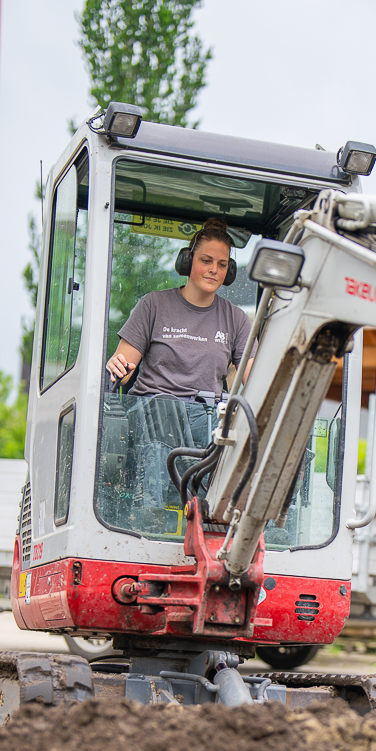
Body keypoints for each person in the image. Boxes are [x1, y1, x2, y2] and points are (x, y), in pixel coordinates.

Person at [105, 217, 252, 523]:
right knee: (166, 410)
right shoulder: (154, 305)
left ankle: (227, 516)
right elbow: (124, 365)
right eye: (206, 260)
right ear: (188, 262)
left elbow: (251, 376)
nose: (214, 269)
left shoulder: (236, 319)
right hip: (152, 412)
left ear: (229, 272)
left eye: (222, 264)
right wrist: (118, 366)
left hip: (205, 419)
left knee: (232, 426)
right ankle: (151, 510)